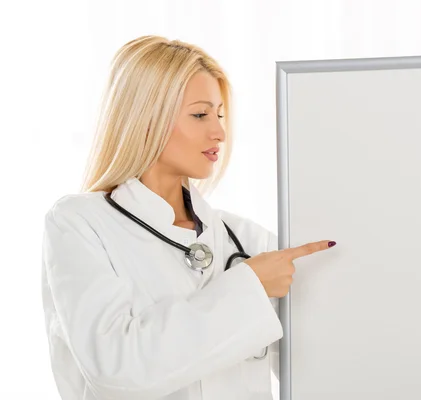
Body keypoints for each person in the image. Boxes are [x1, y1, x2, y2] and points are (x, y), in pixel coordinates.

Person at [40, 35, 336, 400]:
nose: (220, 133)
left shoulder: (247, 240)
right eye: (200, 114)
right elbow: (115, 370)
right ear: (146, 117)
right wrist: (249, 288)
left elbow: (318, 372)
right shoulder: (79, 224)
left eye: (220, 114)